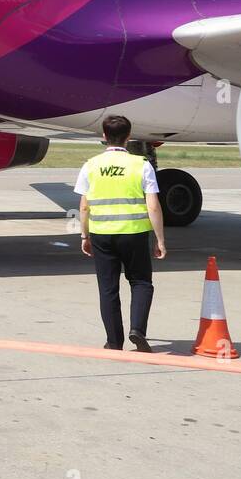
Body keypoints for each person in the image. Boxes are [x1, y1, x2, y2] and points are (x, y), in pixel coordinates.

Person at [76, 114, 166, 352]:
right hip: (134, 234)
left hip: (102, 234)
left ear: (104, 136)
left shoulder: (90, 165)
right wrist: (159, 239)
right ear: (128, 137)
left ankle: (114, 342)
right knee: (141, 282)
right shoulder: (142, 165)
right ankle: (137, 329)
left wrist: (84, 236)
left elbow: (84, 206)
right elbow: (153, 205)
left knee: (108, 288)